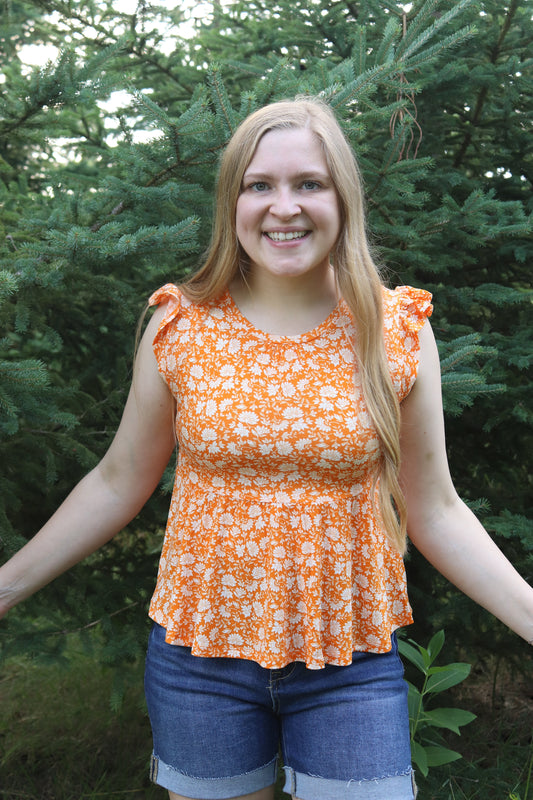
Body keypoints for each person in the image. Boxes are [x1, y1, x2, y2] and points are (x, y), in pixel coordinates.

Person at [0, 96, 532, 800]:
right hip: (199, 661)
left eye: (308, 183)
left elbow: (434, 509)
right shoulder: (180, 325)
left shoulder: (396, 329)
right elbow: (117, 480)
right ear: (234, 202)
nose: (285, 207)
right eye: (260, 185)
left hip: (348, 660)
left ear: (341, 196)